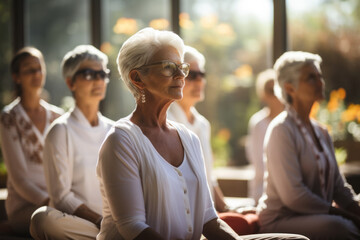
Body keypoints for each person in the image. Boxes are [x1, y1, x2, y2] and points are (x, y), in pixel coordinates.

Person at [96, 27, 308, 240]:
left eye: (182, 68)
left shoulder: (189, 138)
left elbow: (209, 218)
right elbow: (133, 227)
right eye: (169, 67)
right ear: (137, 78)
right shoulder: (121, 141)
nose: (181, 76)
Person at [257, 51, 360, 240]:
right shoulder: (281, 130)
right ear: (290, 88)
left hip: (317, 216)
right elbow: (294, 197)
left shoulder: (321, 131)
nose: (320, 82)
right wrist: (344, 214)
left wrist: (354, 207)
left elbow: (338, 186)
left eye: (319, 76)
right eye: (311, 78)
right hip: (283, 220)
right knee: (340, 227)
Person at [30, 45, 114, 239]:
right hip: (87, 225)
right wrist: (100, 221)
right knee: (43, 219)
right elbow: (61, 198)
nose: (99, 80)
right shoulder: (61, 131)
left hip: (117, 223)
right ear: (70, 82)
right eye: (88, 74)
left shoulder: (115, 130)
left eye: (102, 74)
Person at [0, 47, 63, 236]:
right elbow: (19, 180)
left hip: (59, 203)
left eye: (39, 68)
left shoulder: (58, 116)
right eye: (29, 70)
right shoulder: (9, 118)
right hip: (24, 207)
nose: (36, 74)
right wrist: (54, 203)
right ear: (17, 77)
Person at [167, 45, 229, 212]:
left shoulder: (202, 124)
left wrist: (228, 209)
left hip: (208, 219)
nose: (199, 81)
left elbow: (208, 176)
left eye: (201, 74)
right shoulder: (165, 123)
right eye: (191, 75)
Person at [245, 69, 284, 204]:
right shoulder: (258, 123)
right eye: (270, 90)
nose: (275, 94)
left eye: (278, 89)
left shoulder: (291, 122)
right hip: (263, 193)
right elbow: (258, 164)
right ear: (263, 95)